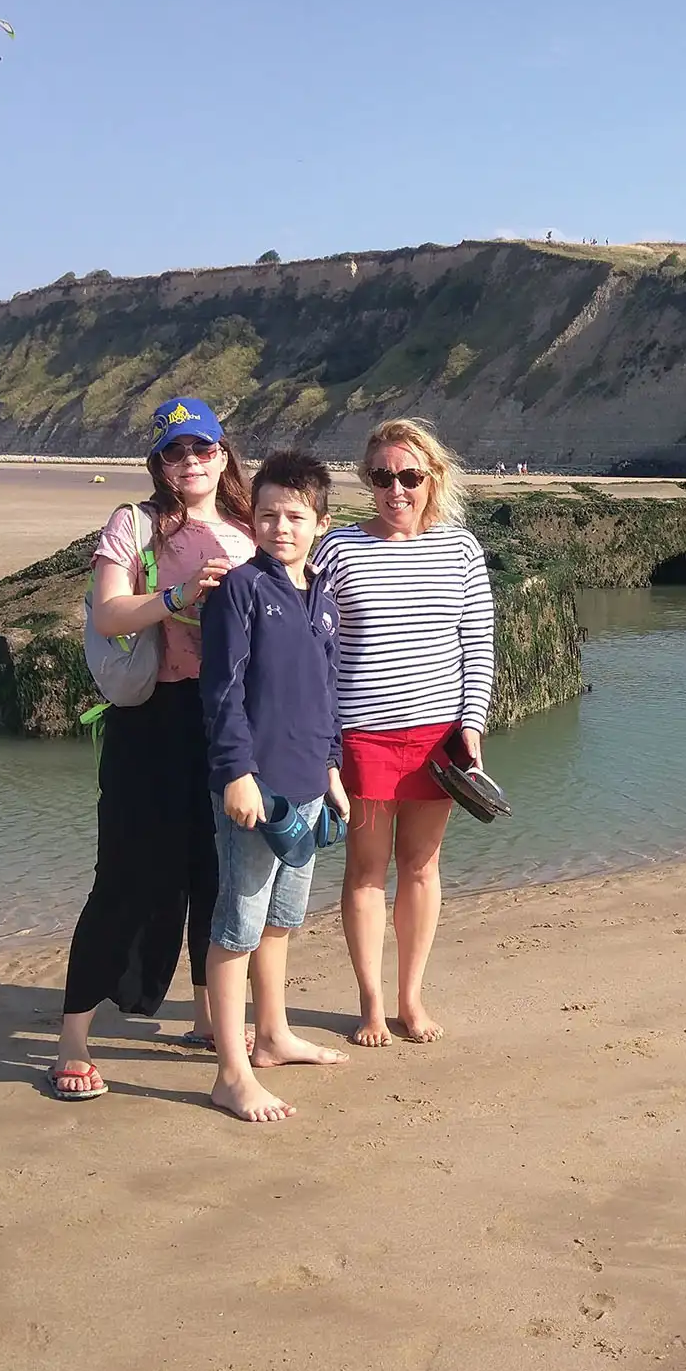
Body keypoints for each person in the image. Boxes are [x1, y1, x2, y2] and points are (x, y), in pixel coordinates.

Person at [49, 397, 254, 1102]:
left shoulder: (252, 524)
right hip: (149, 719)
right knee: (127, 876)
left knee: (214, 872)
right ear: (158, 464)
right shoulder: (132, 524)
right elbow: (109, 612)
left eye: (202, 449)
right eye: (175, 452)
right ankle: (72, 1038)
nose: (190, 462)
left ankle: (204, 1017)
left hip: (228, 718)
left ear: (224, 454)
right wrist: (174, 597)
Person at [310, 418, 494, 1047]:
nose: (397, 490)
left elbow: (478, 646)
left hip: (437, 739)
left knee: (420, 867)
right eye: (383, 477)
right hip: (360, 734)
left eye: (410, 477)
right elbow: (316, 649)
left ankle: (411, 998)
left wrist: (472, 727)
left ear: (431, 479)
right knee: (365, 871)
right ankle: (369, 1003)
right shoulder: (336, 551)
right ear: (368, 481)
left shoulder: (462, 551)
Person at [198, 450, 353, 1122]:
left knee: (282, 921)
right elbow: (222, 693)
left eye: (295, 516)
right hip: (254, 789)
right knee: (238, 922)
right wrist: (236, 773)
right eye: (267, 515)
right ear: (252, 519)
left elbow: (326, 691)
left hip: (308, 785)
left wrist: (333, 768)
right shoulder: (240, 590)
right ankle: (231, 1072)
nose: (280, 527)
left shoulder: (321, 594)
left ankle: (272, 1035)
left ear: (321, 521)